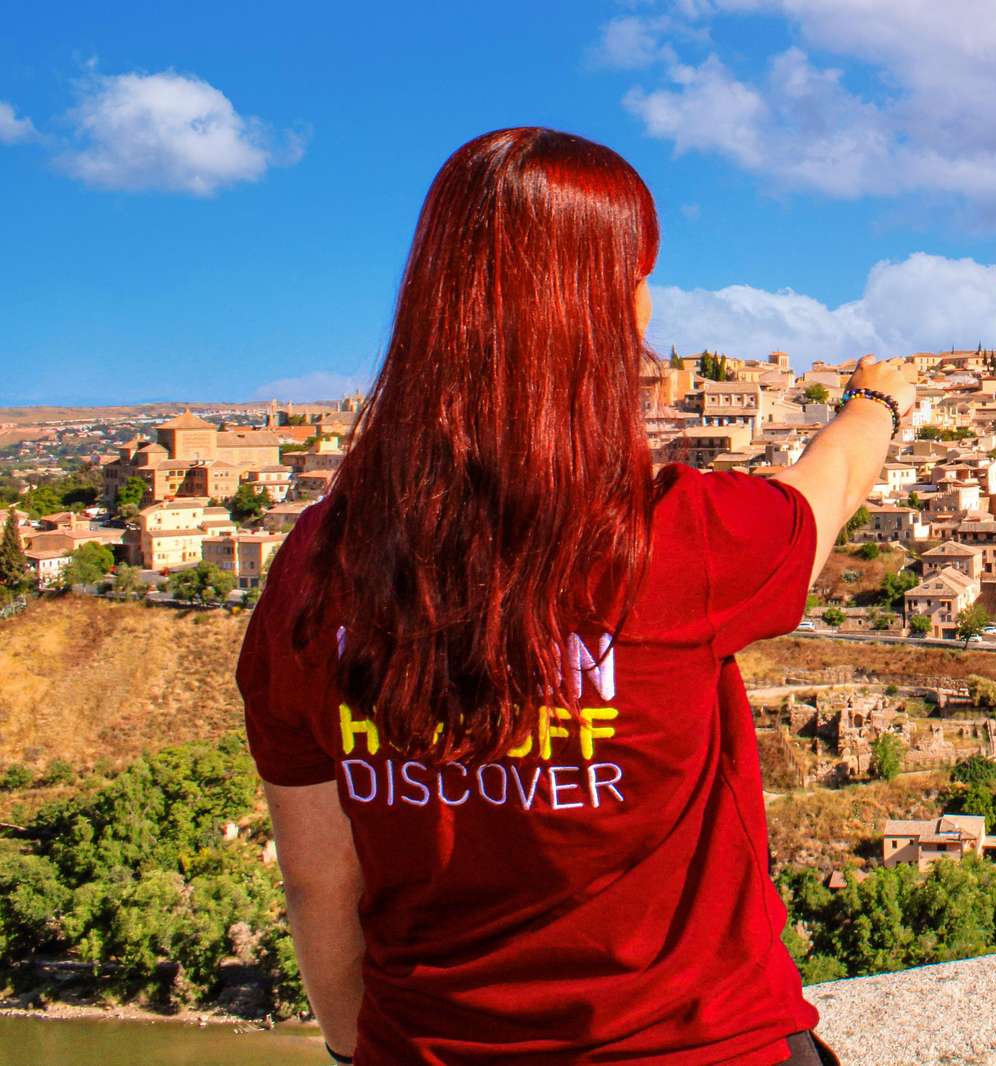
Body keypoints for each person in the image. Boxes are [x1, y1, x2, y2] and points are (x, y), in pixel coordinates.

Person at [238, 127, 914, 1065]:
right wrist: (876, 401)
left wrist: (366, 1054)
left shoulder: (316, 567)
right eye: (639, 275)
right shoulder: (682, 539)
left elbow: (318, 879)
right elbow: (826, 493)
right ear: (605, 309)